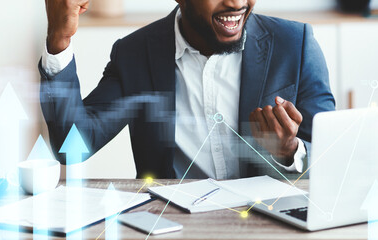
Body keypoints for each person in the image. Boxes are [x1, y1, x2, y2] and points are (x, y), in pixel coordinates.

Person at [40, 0, 335, 179]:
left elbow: (333, 158)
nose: (236, 3)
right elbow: (73, 147)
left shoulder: (295, 44)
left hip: (267, 227)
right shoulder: (136, 53)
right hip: (171, 228)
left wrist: (289, 151)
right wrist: (59, 42)